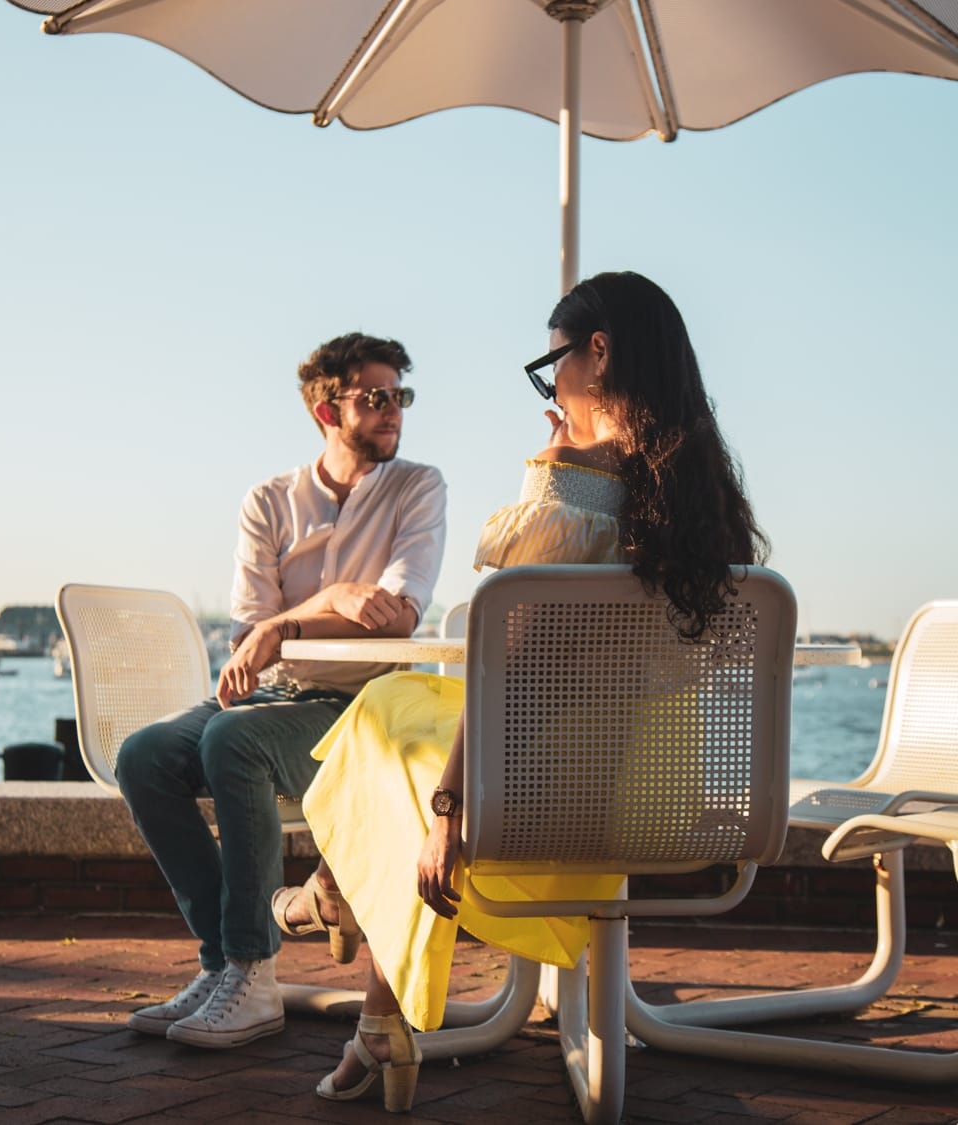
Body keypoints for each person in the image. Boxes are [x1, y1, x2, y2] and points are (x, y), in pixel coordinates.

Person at [277, 272, 770, 1113]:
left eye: (553, 369)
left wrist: (447, 810)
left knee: (389, 731)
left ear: (598, 354)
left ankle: (335, 903)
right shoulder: (707, 499)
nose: (554, 390)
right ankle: (372, 999)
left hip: (549, 798)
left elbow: (512, 681)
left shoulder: (564, 485)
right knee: (394, 707)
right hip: (664, 792)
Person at [116, 332, 446, 1050]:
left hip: (364, 709)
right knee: (141, 756)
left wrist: (292, 617)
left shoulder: (419, 487)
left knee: (232, 739)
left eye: (401, 396)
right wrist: (332, 602)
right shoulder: (269, 500)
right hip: (274, 698)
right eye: (376, 397)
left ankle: (252, 970)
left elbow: (396, 614)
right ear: (327, 412)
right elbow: (247, 634)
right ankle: (221, 964)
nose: (395, 411)